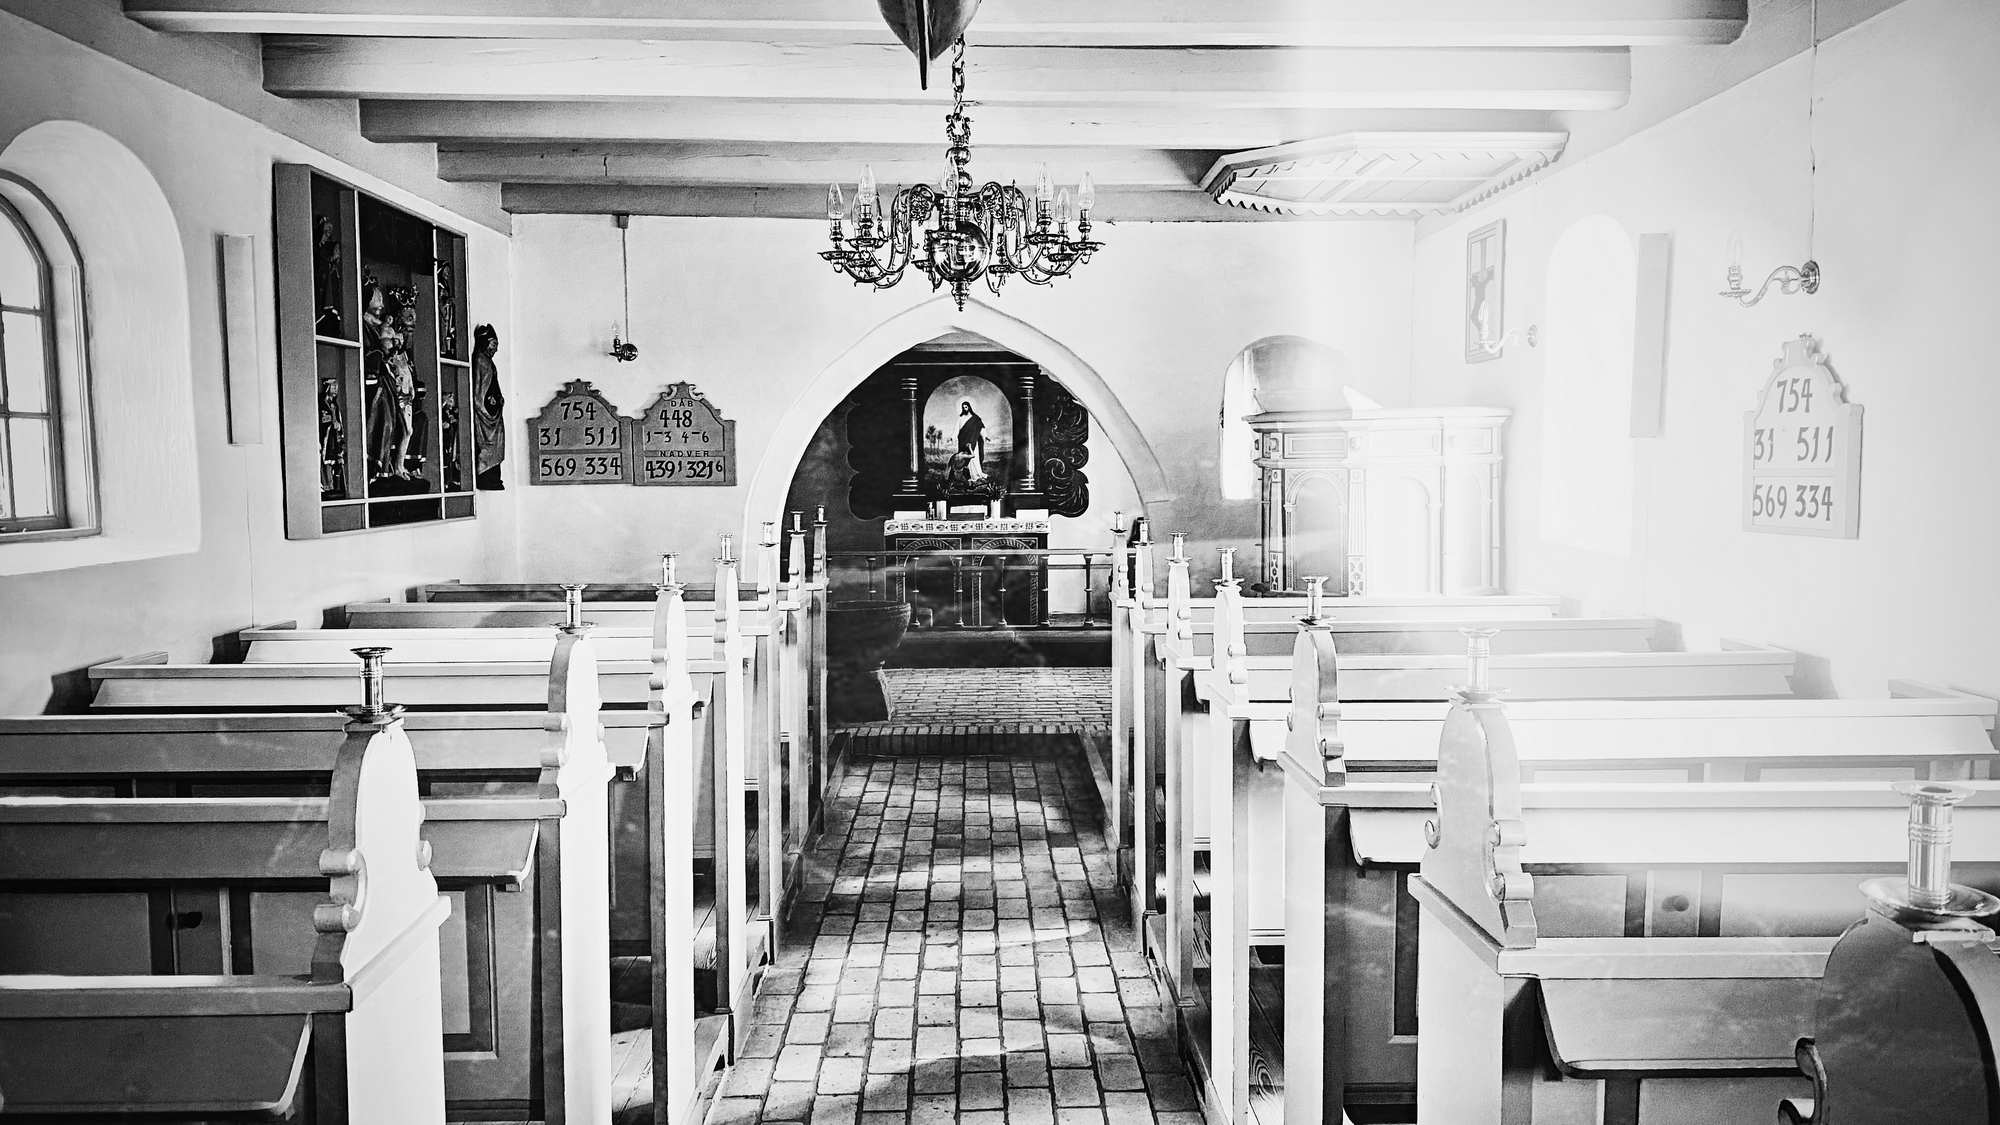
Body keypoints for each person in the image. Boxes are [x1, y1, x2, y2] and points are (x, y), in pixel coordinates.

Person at [957, 400, 987, 482]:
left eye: (966, 407)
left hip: (973, 441)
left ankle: (977, 473)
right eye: (963, 407)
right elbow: (957, 429)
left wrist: (985, 436)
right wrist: (952, 437)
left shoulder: (975, 418)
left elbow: (981, 427)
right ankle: (968, 474)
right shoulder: (961, 418)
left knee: (974, 457)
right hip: (964, 441)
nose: (965, 409)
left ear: (969, 407)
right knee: (966, 457)